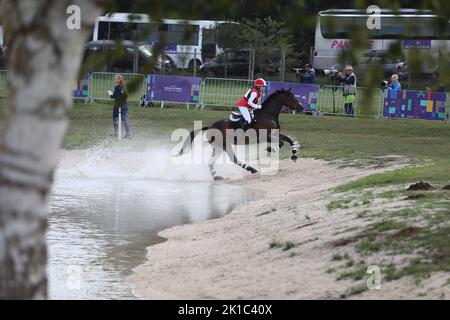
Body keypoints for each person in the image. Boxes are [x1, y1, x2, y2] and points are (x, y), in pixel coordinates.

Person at [110, 74, 131, 139]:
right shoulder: (124, 86)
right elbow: (125, 96)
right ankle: (128, 133)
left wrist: (111, 95)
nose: (114, 79)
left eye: (115, 78)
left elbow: (116, 96)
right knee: (124, 119)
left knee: (115, 119)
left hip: (118, 105)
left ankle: (116, 132)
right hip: (125, 105)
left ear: (119, 80)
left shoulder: (117, 87)